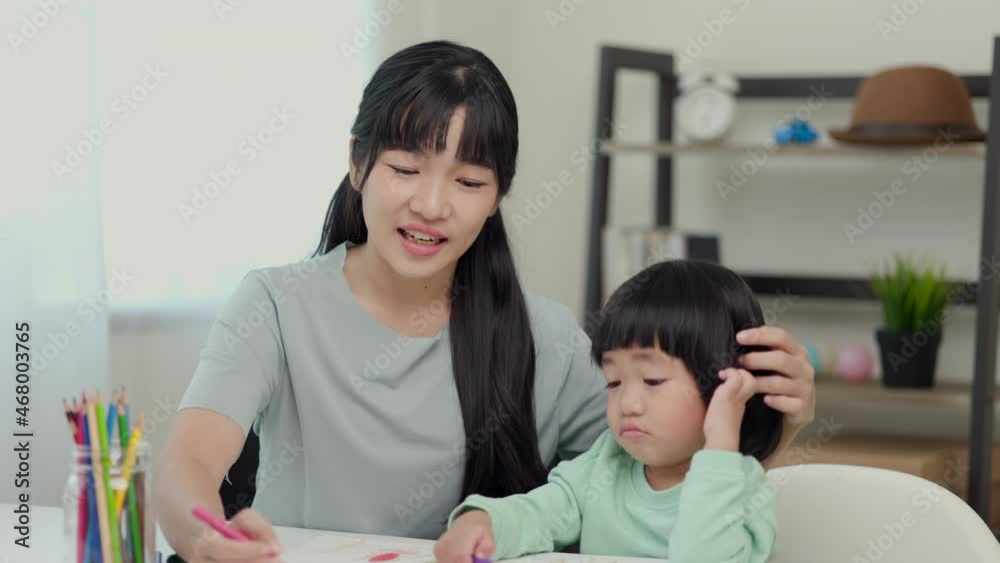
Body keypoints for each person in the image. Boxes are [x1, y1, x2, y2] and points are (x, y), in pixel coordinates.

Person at [154, 40, 816, 563]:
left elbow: (664, 461)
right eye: (406, 169)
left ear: (498, 193)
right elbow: (187, 463)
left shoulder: (545, 338)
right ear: (357, 163)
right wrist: (203, 535)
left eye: (469, 180)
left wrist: (776, 413)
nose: (433, 205)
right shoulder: (273, 303)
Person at [435, 260, 784, 563]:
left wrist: (721, 441)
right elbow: (541, 512)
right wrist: (482, 522)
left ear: (724, 385)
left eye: (653, 380)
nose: (627, 404)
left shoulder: (738, 486)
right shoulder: (607, 462)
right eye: (614, 382)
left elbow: (701, 557)